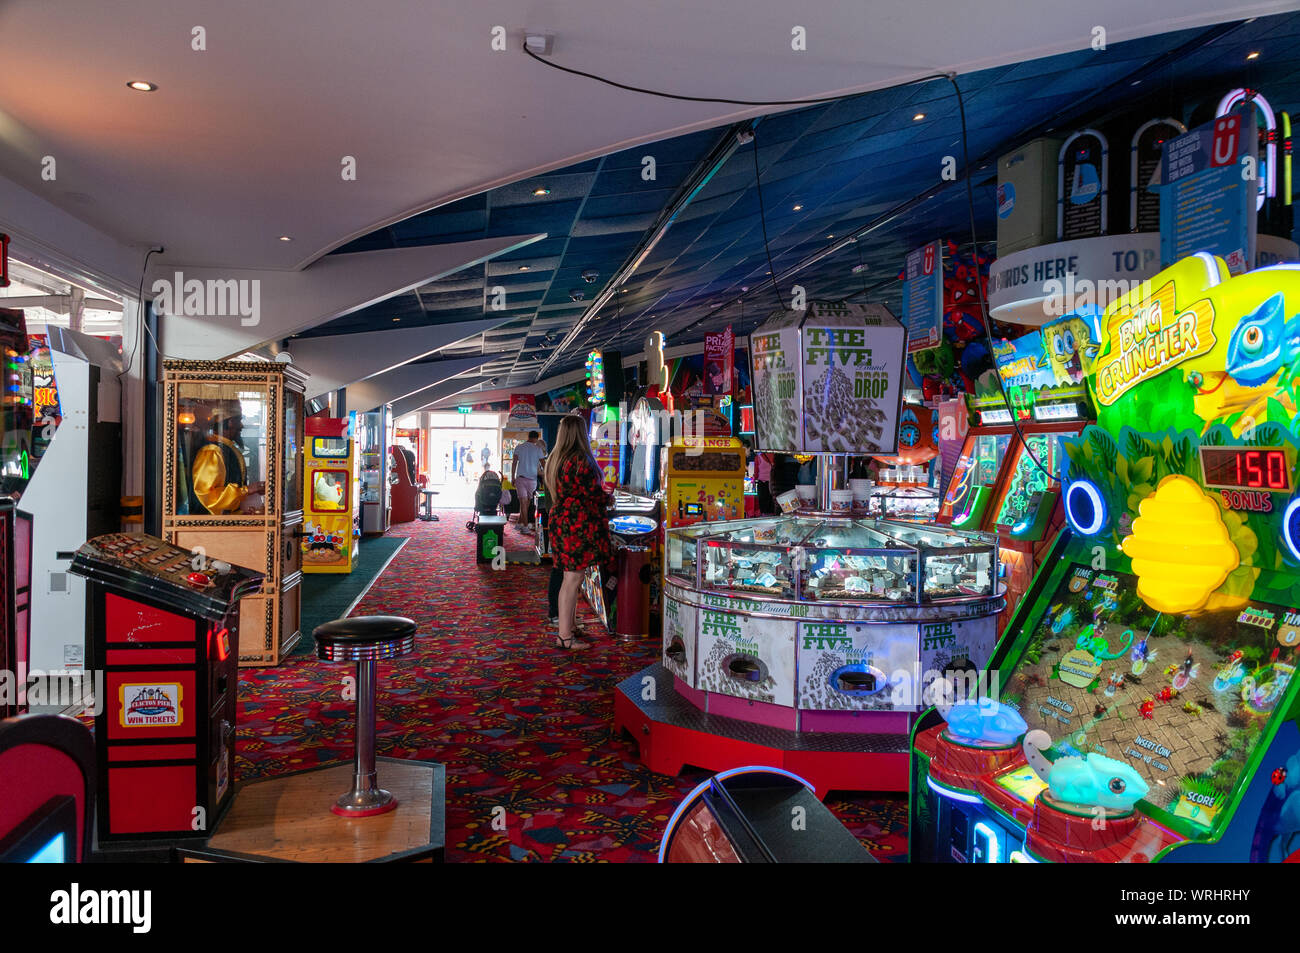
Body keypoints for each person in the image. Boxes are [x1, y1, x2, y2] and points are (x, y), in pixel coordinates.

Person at [544, 415, 612, 650]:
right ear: (580, 433)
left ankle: (568, 625)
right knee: (573, 579)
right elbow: (591, 494)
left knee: (569, 577)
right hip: (577, 523)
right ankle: (564, 636)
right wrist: (609, 498)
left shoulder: (556, 458)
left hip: (562, 519)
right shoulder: (581, 460)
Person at [191, 400, 265, 514]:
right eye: (239, 420)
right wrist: (246, 490)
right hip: (212, 528)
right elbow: (207, 497)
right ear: (230, 422)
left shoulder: (224, 448)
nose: (241, 426)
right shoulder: (212, 451)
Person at [511, 431, 546, 531]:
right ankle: (524, 525)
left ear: (528, 437)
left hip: (520, 478)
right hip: (532, 480)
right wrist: (547, 475)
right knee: (526, 503)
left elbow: (514, 463)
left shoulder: (519, 447)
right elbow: (544, 464)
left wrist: (512, 477)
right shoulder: (538, 449)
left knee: (523, 503)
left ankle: (521, 523)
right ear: (536, 438)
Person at [754, 449, 775, 515]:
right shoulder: (775, 456)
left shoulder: (758, 457)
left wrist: (754, 480)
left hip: (762, 484)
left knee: (763, 506)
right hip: (773, 483)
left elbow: (756, 471)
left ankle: (764, 517)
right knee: (772, 505)